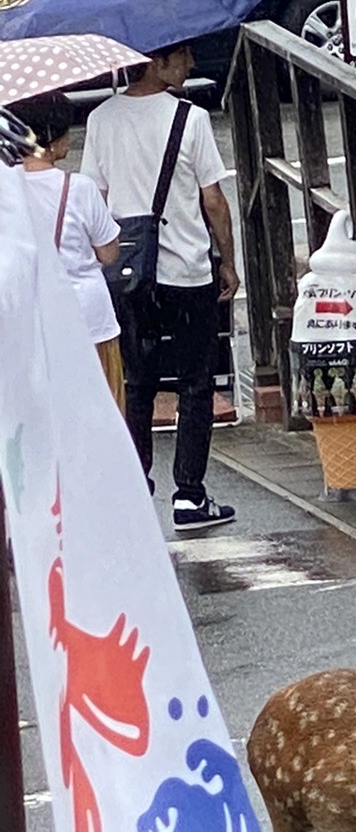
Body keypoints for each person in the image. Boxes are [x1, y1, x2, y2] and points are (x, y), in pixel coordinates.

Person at [81, 42, 238, 528]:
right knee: (195, 384)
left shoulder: (101, 119)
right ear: (157, 61)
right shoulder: (189, 118)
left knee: (138, 383)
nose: (191, 64)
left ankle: (133, 487)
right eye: (183, 56)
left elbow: (96, 195)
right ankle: (189, 496)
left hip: (130, 274)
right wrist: (227, 261)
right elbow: (212, 199)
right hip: (187, 269)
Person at [16, 93, 125, 408]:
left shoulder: (6, 188)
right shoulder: (79, 189)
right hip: (88, 317)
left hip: (31, 316)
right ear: (50, 139)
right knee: (100, 412)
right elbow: (109, 253)